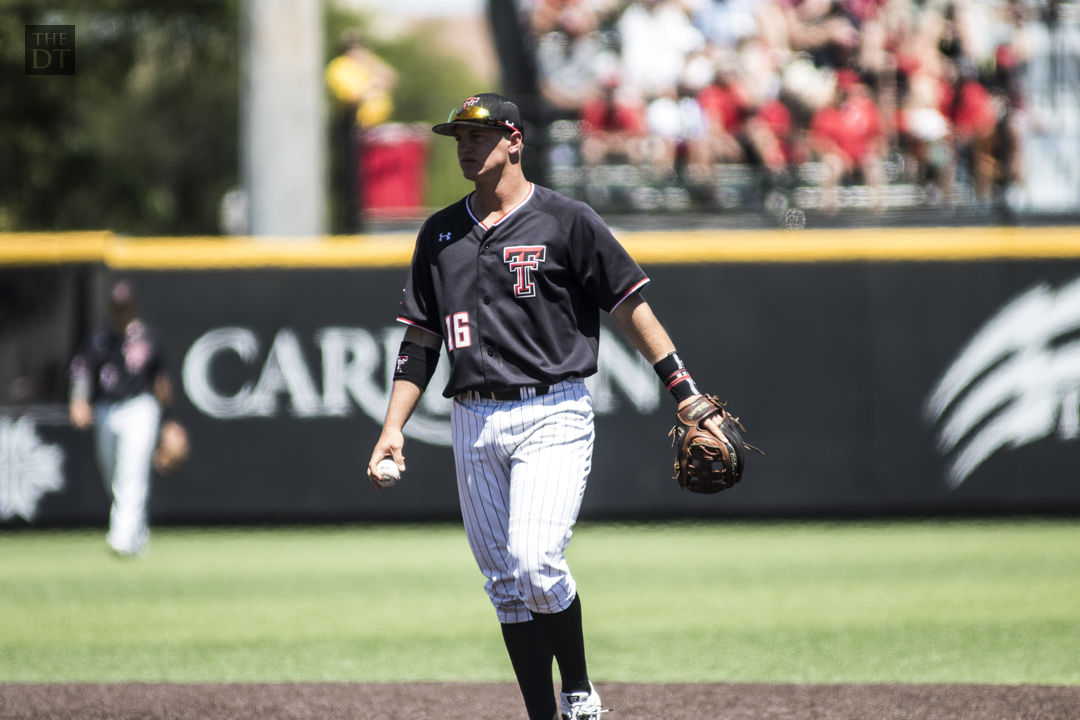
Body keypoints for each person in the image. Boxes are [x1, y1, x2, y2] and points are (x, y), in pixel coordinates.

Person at [366, 92, 729, 720]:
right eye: (458, 136)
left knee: (535, 562)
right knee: (505, 586)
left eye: (479, 134)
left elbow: (628, 304)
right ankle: (543, 713)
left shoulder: (566, 219)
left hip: (552, 410)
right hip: (472, 417)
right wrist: (393, 427)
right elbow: (421, 339)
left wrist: (685, 390)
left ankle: (580, 691)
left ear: (514, 140)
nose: (465, 145)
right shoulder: (440, 232)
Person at [69, 280, 176, 558]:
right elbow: (82, 372)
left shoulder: (147, 337)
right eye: (116, 306)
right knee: (113, 475)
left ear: (133, 306)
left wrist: (170, 421)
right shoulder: (99, 338)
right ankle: (136, 532)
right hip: (107, 408)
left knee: (133, 471)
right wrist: (79, 400)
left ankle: (122, 538)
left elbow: (160, 381)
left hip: (140, 407)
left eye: (124, 306)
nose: (120, 311)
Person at [325, 29, 399, 233]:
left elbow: (391, 77)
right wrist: (372, 83)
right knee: (353, 183)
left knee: (373, 181)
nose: (357, 51)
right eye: (353, 47)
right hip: (352, 127)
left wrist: (370, 63)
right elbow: (352, 97)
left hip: (374, 130)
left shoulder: (366, 65)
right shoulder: (339, 68)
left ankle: (371, 220)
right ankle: (352, 227)